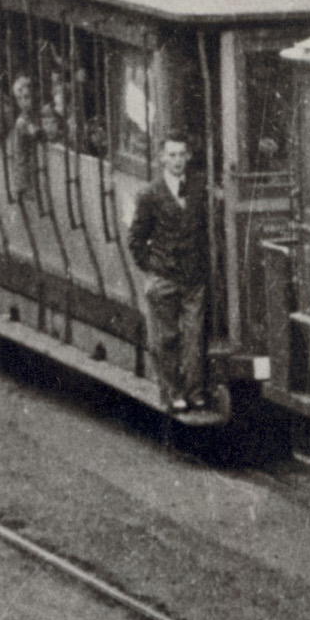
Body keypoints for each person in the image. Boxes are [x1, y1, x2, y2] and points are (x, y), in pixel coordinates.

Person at [129, 136, 209, 414]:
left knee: (193, 336)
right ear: (162, 158)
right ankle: (172, 392)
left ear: (188, 157)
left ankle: (194, 392)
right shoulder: (151, 194)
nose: (177, 160)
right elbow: (136, 239)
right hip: (164, 277)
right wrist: (153, 268)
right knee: (165, 338)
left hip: (192, 278)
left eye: (182, 155)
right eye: (172, 155)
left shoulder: (198, 187)